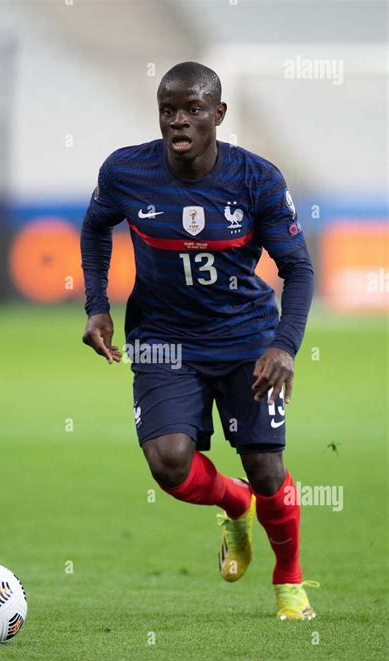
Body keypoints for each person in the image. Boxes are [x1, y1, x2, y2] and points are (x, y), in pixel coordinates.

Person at [81, 61, 319, 621]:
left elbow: (299, 269)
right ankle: (232, 502)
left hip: (247, 341)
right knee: (168, 464)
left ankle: (288, 581)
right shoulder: (126, 171)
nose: (178, 121)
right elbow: (94, 227)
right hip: (164, 340)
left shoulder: (257, 180)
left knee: (267, 472)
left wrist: (284, 345)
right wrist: (97, 306)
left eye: (192, 109)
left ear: (219, 114)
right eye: (168, 110)